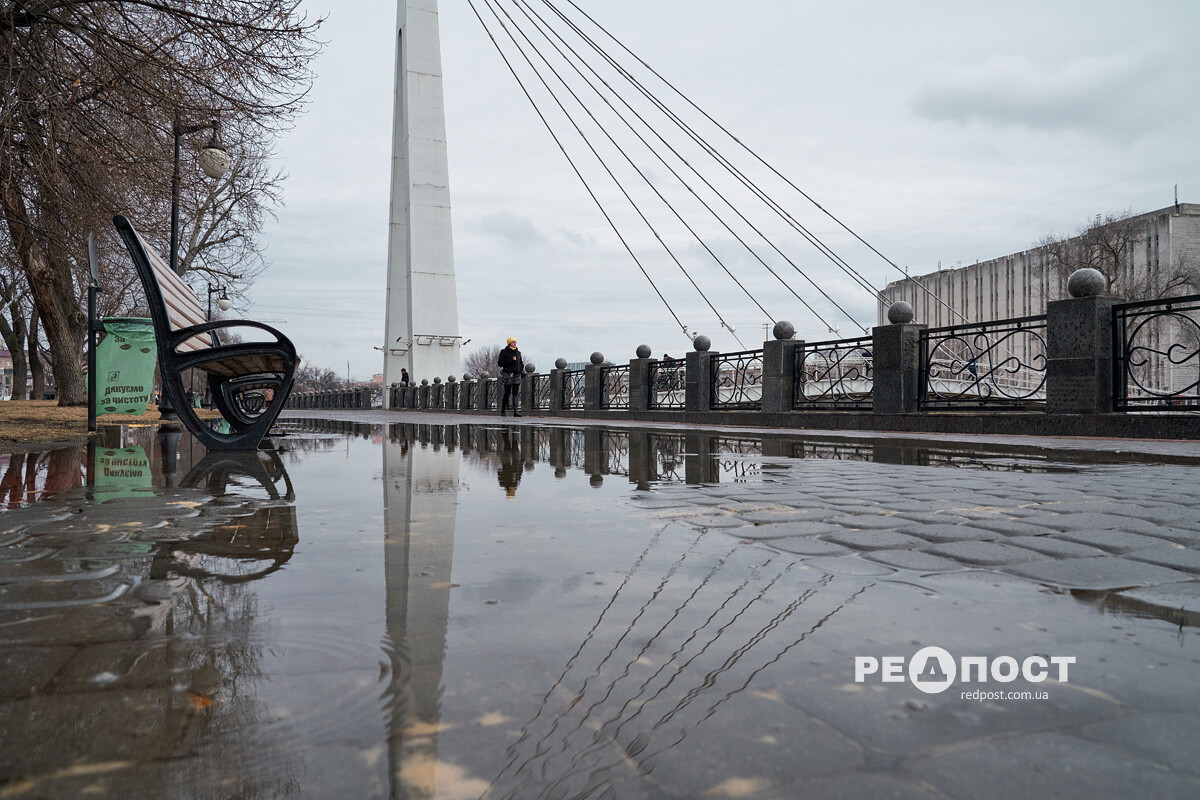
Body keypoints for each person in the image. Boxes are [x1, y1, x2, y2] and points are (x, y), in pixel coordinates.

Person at [497, 336, 523, 416]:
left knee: (515, 393)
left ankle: (516, 411)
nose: (514, 344)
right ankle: (503, 410)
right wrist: (510, 360)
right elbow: (500, 363)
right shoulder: (504, 352)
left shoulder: (518, 353)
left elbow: (521, 362)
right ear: (509, 343)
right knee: (507, 393)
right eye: (513, 342)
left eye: (515, 342)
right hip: (508, 374)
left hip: (517, 374)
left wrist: (521, 368)